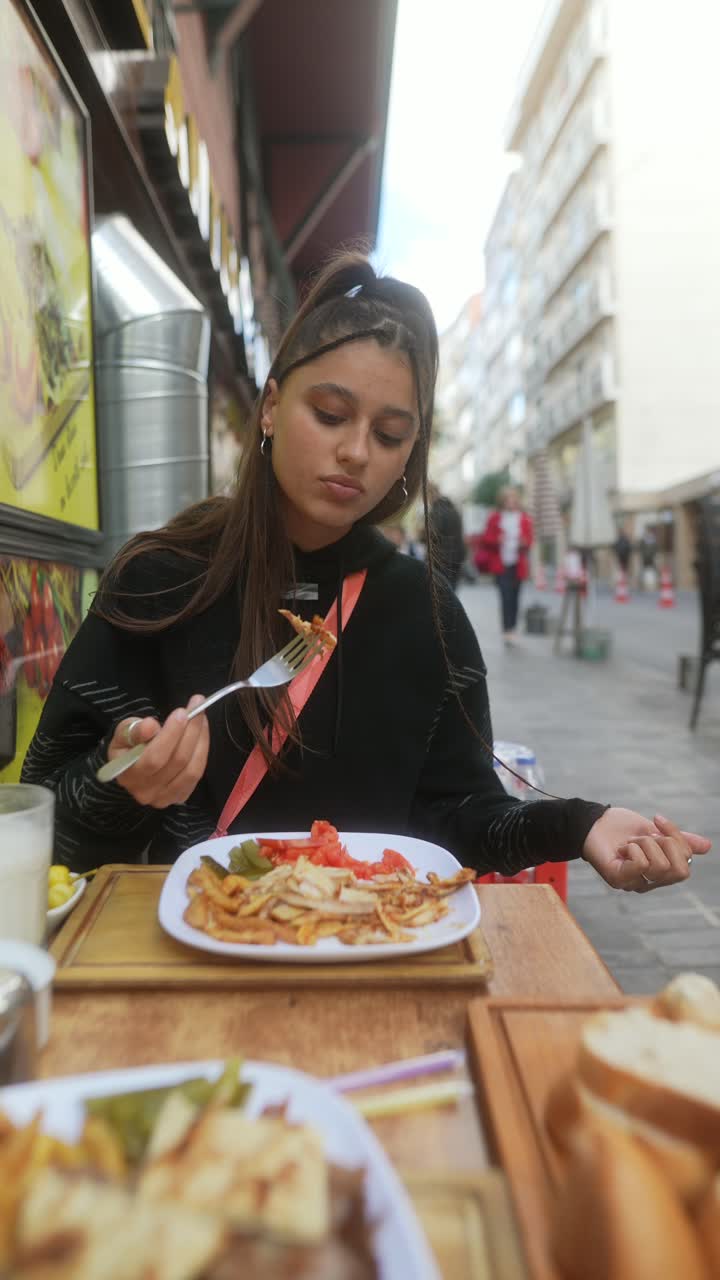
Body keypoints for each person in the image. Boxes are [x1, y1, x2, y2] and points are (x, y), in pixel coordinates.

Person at [22, 252, 710, 894]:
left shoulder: (423, 610)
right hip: (177, 950)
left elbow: (462, 818)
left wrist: (580, 824)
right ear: (270, 407)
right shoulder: (161, 580)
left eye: (389, 435)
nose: (355, 451)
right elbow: (45, 821)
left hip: (367, 948)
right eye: (330, 414)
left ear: (410, 452)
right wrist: (121, 781)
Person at [480, 488, 534, 644]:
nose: (511, 502)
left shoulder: (524, 518)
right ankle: (506, 629)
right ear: (503, 501)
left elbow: (529, 540)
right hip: (501, 565)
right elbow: (486, 539)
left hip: (518, 564)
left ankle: (513, 627)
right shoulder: (495, 517)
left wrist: (524, 543)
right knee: (505, 596)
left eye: (513, 499)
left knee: (515, 597)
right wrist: (497, 539)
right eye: (507, 499)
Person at [427, 483, 465, 590]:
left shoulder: (436, 511)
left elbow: (433, 535)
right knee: (452, 590)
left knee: (441, 592)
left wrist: (421, 534)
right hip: (457, 556)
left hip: (440, 558)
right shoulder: (454, 510)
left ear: (430, 494)